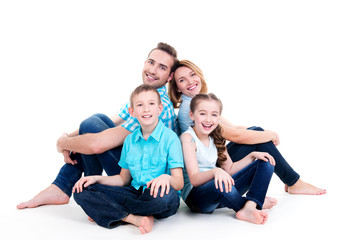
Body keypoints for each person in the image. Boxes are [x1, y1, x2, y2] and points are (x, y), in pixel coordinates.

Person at [17, 42, 180, 209]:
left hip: (142, 179)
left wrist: (62, 143)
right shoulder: (146, 95)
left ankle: (83, 191)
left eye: (161, 67)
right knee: (95, 120)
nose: (152, 70)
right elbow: (112, 120)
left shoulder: (157, 106)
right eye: (151, 62)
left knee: (91, 128)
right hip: (136, 167)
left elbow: (97, 144)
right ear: (144, 62)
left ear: (169, 76)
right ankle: (64, 187)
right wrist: (69, 138)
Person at [169, 60, 326, 195]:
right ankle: (293, 182)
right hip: (206, 168)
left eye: (192, 74)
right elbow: (234, 136)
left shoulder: (199, 101)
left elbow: (233, 127)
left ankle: (290, 181)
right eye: (182, 80)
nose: (190, 81)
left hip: (212, 159)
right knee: (257, 136)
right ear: (177, 88)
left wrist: (265, 133)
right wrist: (268, 135)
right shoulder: (188, 109)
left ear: (199, 74)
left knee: (255, 130)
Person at [73, 84, 184, 234]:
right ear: (132, 112)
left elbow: (179, 182)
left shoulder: (170, 138)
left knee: (162, 198)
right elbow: (123, 179)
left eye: (151, 104)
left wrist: (166, 178)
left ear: (160, 108)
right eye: (140, 105)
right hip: (135, 192)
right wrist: (96, 178)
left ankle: (108, 209)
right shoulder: (130, 141)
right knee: (82, 191)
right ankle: (134, 218)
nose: (146, 109)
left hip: (162, 196)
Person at [181, 93, 276, 225]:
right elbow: (195, 179)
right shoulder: (188, 138)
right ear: (192, 115)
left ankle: (250, 206)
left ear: (218, 118)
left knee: (266, 162)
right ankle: (254, 202)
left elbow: (230, 169)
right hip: (197, 198)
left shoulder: (215, 136)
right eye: (202, 114)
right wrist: (216, 172)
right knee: (222, 185)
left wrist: (252, 156)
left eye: (214, 115)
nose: (208, 119)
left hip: (220, 190)